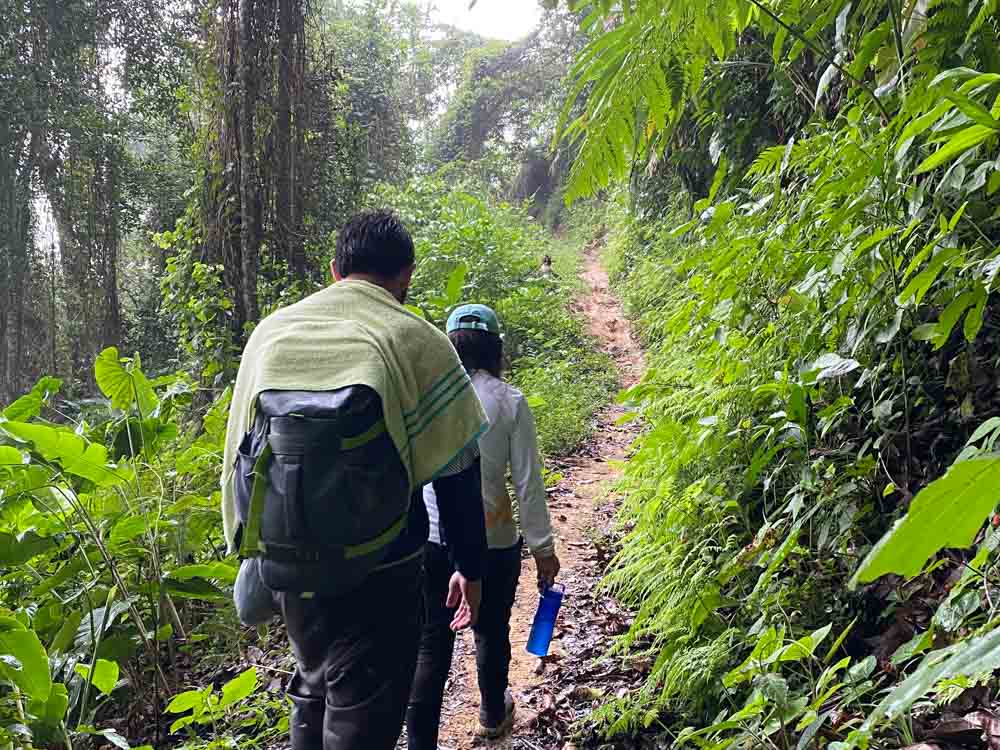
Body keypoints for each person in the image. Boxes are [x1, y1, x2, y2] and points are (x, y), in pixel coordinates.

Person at [221, 210, 489, 750]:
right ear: (406, 274)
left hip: (291, 565)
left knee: (313, 683)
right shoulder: (418, 338)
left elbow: (235, 458)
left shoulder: (272, 333)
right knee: (362, 707)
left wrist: (246, 552)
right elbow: (458, 469)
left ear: (334, 270)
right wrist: (470, 567)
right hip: (384, 567)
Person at [406, 303, 561, 747]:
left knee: (431, 643)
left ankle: (420, 742)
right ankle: (493, 713)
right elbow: (528, 483)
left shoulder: (426, 397)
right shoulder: (509, 401)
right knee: (491, 628)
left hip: (431, 537)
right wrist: (543, 548)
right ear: (495, 348)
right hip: (494, 537)